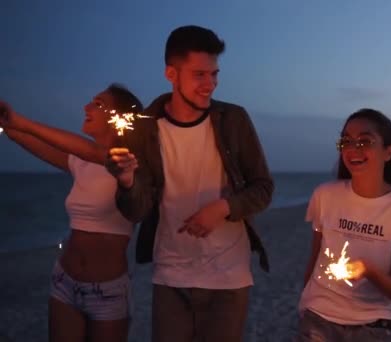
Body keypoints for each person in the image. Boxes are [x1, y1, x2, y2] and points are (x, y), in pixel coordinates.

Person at [106, 25, 273, 342]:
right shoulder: (146, 129)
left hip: (229, 278)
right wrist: (127, 181)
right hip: (171, 275)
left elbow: (263, 188)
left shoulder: (233, 119)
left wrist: (223, 208)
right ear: (171, 73)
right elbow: (136, 210)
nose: (209, 84)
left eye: (214, 74)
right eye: (199, 74)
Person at [0, 84, 143, 342]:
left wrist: (20, 121)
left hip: (107, 293)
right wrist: (8, 125)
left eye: (98, 104)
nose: (86, 107)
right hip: (64, 282)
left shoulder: (131, 162)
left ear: (118, 117)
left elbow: (94, 152)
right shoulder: (79, 161)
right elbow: (27, 140)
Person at [295, 109, 391, 341]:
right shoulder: (325, 195)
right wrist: (304, 301)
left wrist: (368, 270)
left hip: (371, 325)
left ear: (388, 152)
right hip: (317, 317)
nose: (352, 148)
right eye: (346, 141)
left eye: (365, 141)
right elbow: (315, 257)